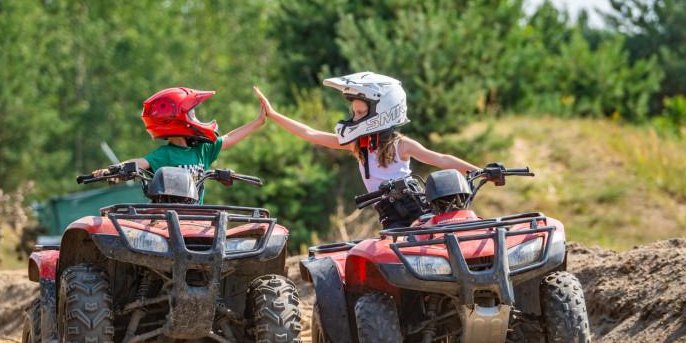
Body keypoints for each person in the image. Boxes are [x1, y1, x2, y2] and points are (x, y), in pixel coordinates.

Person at [254, 72, 479, 228]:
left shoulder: (401, 144)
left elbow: (440, 159)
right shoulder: (359, 145)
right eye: (354, 113)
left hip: (413, 205)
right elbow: (310, 133)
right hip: (388, 212)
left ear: (383, 112)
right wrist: (273, 115)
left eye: (360, 113)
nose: (354, 119)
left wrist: (478, 170)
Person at [93, 87, 266, 203]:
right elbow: (139, 163)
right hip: (166, 218)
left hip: (193, 218)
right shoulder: (165, 154)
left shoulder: (202, 150)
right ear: (180, 118)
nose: (196, 119)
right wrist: (114, 170)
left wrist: (258, 121)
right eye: (193, 114)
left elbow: (230, 137)